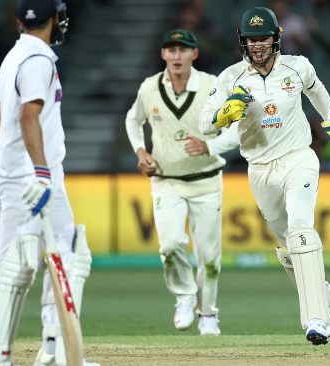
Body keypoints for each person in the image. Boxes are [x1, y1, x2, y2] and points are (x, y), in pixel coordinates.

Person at [199, 7, 330, 345]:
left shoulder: (297, 66)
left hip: (299, 158)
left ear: (276, 39)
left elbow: (316, 90)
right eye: (251, 40)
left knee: (302, 226)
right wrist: (225, 113)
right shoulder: (230, 78)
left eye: (264, 39)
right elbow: (205, 124)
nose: (258, 46)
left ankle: (316, 320)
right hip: (259, 169)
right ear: (243, 42)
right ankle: (319, 291)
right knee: (289, 245)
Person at [0, 1, 98, 365]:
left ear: (17, 21)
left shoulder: (14, 56)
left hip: (16, 175)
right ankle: (2, 353)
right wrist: (41, 173)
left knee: (52, 253)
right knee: (55, 258)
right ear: (55, 19)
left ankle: (41, 351)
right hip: (36, 177)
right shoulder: (38, 61)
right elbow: (28, 118)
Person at [125, 28, 239, 337]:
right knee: (171, 245)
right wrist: (140, 151)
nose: (176, 56)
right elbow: (132, 120)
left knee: (209, 258)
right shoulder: (149, 88)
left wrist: (209, 146)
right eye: (171, 50)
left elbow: (236, 129)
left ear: (195, 54)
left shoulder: (213, 86)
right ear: (163, 54)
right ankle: (186, 296)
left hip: (206, 181)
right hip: (166, 180)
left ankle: (209, 314)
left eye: (183, 50)